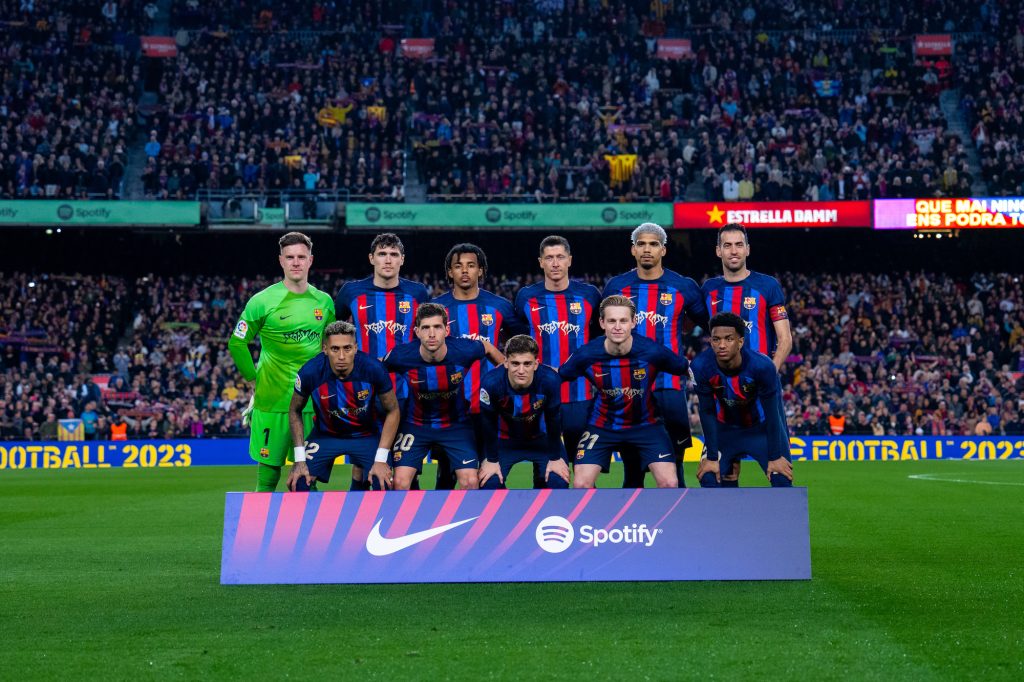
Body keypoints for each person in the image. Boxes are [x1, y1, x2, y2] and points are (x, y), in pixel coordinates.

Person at [603, 222, 708, 487]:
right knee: (632, 469)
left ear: (663, 250)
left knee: (676, 464)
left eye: (653, 244)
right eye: (642, 244)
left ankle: (679, 524)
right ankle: (633, 527)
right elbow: (600, 335)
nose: (647, 249)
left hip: (669, 387)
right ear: (633, 250)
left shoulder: (683, 286)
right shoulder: (617, 286)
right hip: (627, 389)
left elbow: (710, 327)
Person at [228, 232, 335, 492]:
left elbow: (331, 349)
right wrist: (254, 380)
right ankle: (258, 532)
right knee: (268, 473)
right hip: (272, 401)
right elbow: (237, 342)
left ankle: (308, 530)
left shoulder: (325, 302)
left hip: (310, 403)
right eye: (290, 257)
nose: (296, 262)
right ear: (281, 261)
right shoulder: (262, 301)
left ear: (310, 260)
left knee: (308, 474)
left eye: (301, 257)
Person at [558, 295, 688, 489]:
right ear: (602, 323)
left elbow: (686, 368)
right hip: (602, 426)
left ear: (633, 322)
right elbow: (557, 376)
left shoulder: (652, 351)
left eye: (623, 320)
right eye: (611, 321)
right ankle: (594, 519)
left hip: (647, 425)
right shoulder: (586, 354)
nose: (617, 326)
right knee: (580, 484)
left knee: (669, 482)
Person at [335, 233, 428, 490]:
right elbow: (335, 333)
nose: (388, 260)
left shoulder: (417, 293)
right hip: (362, 394)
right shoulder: (351, 292)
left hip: (408, 393)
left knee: (407, 468)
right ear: (371, 258)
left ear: (402, 260)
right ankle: (359, 524)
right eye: (382, 254)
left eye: (394, 254)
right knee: (361, 467)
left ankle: (412, 524)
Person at [701, 223, 792, 484]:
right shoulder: (709, 289)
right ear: (718, 251)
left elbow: (785, 339)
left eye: (739, 245)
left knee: (780, 475)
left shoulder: (767, 286)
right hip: (723, 398)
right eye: (727, 245)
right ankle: (726, 525)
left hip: (762, 401)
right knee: (717, 477)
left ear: (748, 249)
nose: (733, 251)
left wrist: (767, 375)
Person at [384, 303, 505, 490]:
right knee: (399, 482)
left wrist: (505, 377)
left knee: (471, 481)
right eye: (425, 328)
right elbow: (375, 370)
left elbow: (487, 348)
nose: (431, 334)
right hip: (415, 425)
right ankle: (409, 519)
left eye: (437, 327)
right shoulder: (401, 356)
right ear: (417, 331)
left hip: (455, 425)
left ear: (447, 330)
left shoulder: (464, 350)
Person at [514, 235, 601, 486]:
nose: (555, 263)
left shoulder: (589, 295)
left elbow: (598, 339)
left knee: (585, 473)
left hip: (580, 398)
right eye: (549, 258)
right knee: (544, 474)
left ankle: (588, 522)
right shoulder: (526, 297)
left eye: (560, 257)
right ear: (541, 262)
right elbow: (518, 338)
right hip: (540, 398)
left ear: (569, 260)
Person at [431, 243, 515, 489]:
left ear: (481, 271)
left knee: (489, 476)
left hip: (490, 408)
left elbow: (519, 345)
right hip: (448, 407)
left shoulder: (500, 306)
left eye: (471, 265)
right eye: (458, 266)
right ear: (449, 272)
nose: (465, 271)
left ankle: (488, 525)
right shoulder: (437, 308)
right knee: (445, 476)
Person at [285, 321, 399, 492]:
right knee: (299, 482)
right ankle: (314, 517)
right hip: (326, 435)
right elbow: (294, 411)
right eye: (335, 349)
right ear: (325, 349)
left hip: (366, 436)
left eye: (347, 348)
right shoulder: (310, 372)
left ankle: (366, 510)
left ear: (355, 348)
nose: (341, 356)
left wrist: (381, 459)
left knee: (382, 482)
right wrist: (300, 460)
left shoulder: (374, 369)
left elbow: (393, 410)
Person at [692, 313, 793, 488]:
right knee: (709, 477)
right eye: (716, 339)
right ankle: (727, 516)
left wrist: (775, 456)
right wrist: (711, 457)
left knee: (781, 478)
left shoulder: (763, 366)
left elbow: (773, 413)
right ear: (710, 341)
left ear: (740, 341)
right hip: (725, 431)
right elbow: (707, 411)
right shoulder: (700, 366)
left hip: (760, 430)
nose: (721, 345)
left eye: (729, 339)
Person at [478, 335, 569, 490]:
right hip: (504, 440)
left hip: (542, 440)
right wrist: (491, 460)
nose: (521, 370)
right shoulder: (491, 383)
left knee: (558, 481)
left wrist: (555, 458)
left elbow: (553, 419)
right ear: (505, 362)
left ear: (536, 364)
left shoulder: (550, 380)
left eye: (527, 364)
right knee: (489, 483)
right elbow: (488, 422)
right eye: (515, 363)